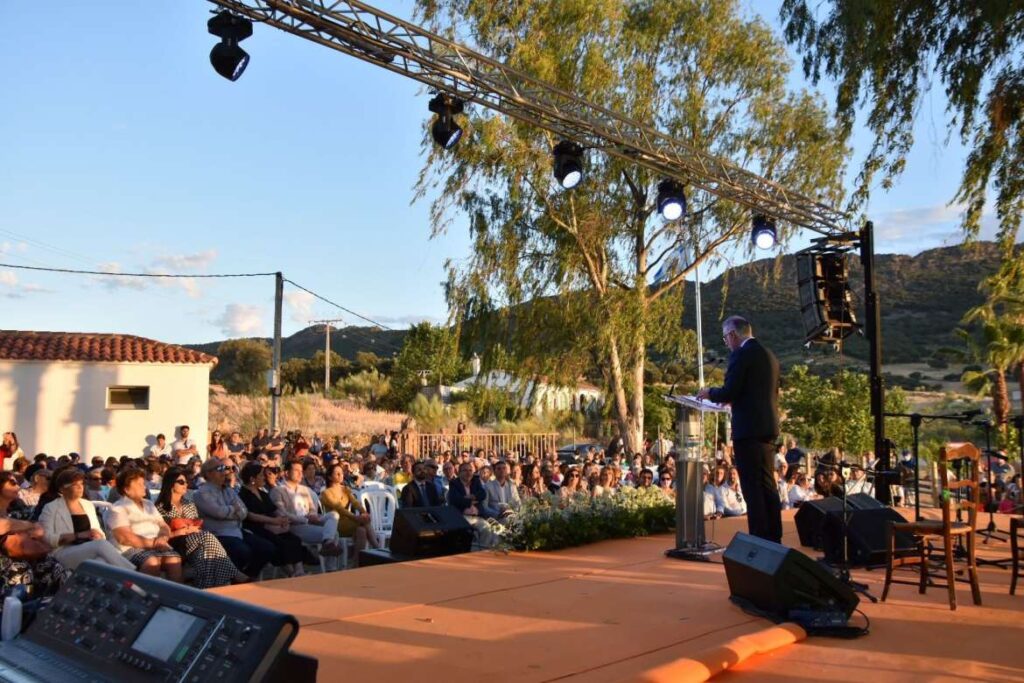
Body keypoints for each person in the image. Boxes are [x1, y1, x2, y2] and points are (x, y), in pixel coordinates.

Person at [697, 315, 782, 543]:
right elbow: (760, 391)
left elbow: (730, 391)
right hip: (768, 426)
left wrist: (710, 393)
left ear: (733, 334)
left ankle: (759, 540)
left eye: (726, 338)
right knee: (767, 484)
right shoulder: (769, 355)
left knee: (753, 487)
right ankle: (774, 537)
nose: (726, 342)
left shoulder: (741, 354)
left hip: (749, 429)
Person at [155, 467, 246, 588]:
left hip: (193, 541)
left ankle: (206, 589)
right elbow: (167, 529)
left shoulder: (188, 503)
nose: (185, 485)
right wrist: (186, 529)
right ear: (171, 484)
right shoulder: (161, 507)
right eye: (181, 482)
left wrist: (185, 527)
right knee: (207, 536)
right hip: (175, 543)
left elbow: (196, 524)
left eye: (186, 482)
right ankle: (235, 574)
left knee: (205, 556)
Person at [38, 469, 135, 571]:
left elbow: (98, 531)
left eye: (82, 484)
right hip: (63, 552)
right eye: (75, 485)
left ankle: (128, 583)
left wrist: (98, 535)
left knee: (100, 562)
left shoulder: (87, 505)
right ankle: (135, 575)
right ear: (62, 489)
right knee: (100, 546)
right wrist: (78, 535)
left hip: (89, 549)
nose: (81, 487)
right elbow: (46, 538)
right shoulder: (51, 508)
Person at [194, 459, 274, 580]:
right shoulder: (201, 493)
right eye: (219, 469)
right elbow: (218, 512)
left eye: (224, 468)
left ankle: (246, 577)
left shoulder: (228, 490)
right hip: (219, 534)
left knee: (267, 548)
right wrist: (234, 509)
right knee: (243, 552)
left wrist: (231, 511)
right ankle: (233, 579)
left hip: (237, 531)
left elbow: (244, 511)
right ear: (208, 474)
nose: (224, 472)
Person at [109, 469, 182, 580]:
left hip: (156, 545)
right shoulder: (118, 508)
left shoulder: (149, 504)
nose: (144, 487)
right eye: (140, 484)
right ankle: (146, 595)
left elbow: (163, 525)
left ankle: (175, 595)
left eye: (144, 483)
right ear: (127, 489)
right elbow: (125, 538)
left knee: (174, 559)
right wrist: (154, 543)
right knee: (152, 561)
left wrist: (163, 537)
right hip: (129, 549)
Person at [237, 463, 306, 577]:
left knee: (294, 539)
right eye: (261, 475)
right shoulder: (243, 494)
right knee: (279, 543)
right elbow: (251, 516)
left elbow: (274, 510)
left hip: (271, 525)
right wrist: (274, 521)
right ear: (252, 479)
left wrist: (283, 519)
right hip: (255, 528)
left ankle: (299, 570)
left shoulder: (263, 493)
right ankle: (291, 573)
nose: (264, 478)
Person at [270, 461, 342, 557]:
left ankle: (327, 543)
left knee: (334, 515)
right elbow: (282, 514)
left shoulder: (304, 489)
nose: (300, 473)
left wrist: (312, 515)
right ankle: (330, 566)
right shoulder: (278, 490)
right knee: (334, 534)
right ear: (287, 473)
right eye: (296, 470)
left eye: (301, 471)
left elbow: (312, 507)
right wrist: (306, 519)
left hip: (311, 520)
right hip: (294, 526)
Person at [320, 464, 378, 567]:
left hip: (349, 521)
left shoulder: (345, 489)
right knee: (364, 522)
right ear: (329, 477)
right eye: (337, 473)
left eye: (341, 473)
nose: (340, 475)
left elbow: (355, 503)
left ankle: (356, 563)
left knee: (362, 530)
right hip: (336, 524)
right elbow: (339, 509)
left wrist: (364, 512)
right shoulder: (326, 493)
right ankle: (378, 549)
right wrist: (356, 517)